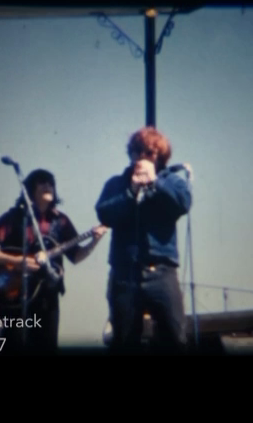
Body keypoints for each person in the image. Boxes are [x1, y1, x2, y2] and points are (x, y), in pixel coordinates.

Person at [0, 168, 108, 354]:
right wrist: (17, 261)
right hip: (15, 295)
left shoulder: (61, 221)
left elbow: (76, 256)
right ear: (30, 189)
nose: (48, 186)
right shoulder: (14, 218)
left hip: (47, 297)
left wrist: (94, 241)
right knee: (12, 346)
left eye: (51, 183)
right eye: (42, 182)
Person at [95, 126, 192, 353]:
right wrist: (130, 191)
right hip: (125, 274)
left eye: (149, 153)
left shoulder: (172, 181)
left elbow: (182, 204)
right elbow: (104, 213)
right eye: (137, 152)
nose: (141, 157)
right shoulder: (116, 183)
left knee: (175, 338)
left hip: (162, 272)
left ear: (160, 156)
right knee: (124, 340)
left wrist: (155, 182)